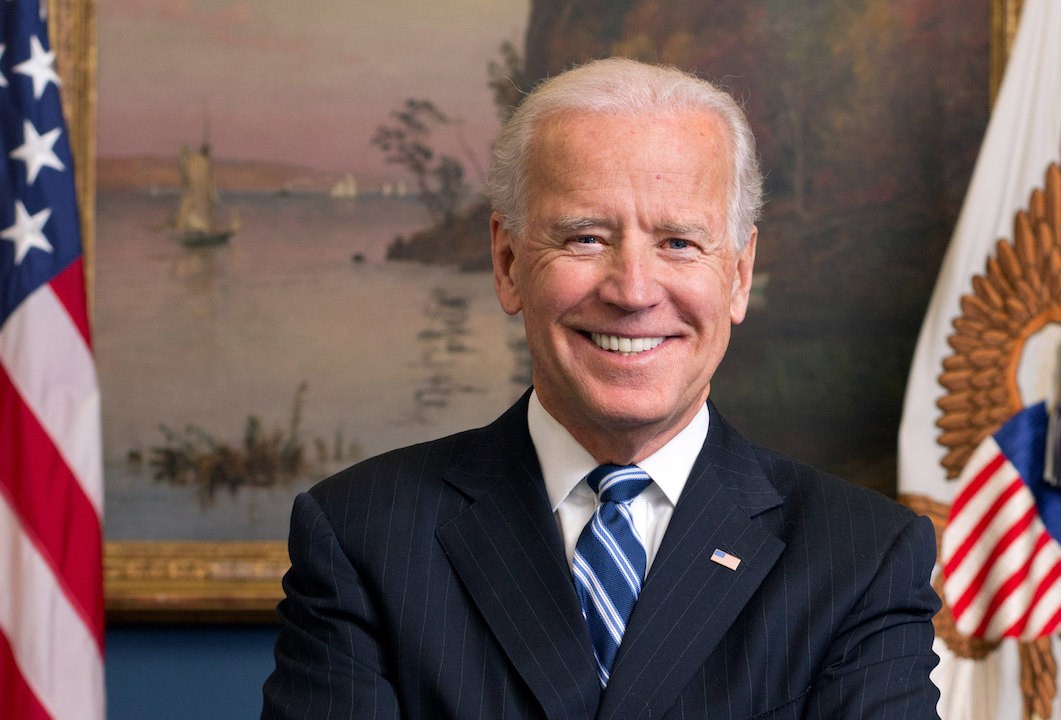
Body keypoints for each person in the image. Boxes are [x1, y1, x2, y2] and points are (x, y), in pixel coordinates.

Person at [261, 57, 940, 719]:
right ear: (507, 264)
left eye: (678, 242)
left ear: (736, 275)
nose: (633, 291)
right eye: (585, 238)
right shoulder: (363, 534)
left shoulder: (860, 555)